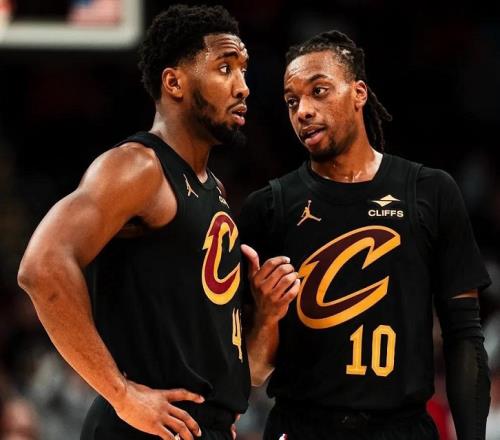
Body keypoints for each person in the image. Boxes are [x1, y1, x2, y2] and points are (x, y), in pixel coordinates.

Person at [240, 30, 491, 440]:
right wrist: (267, 316)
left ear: (358, 93)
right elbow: (253, 372)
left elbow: (464, 336)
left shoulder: (430, 192)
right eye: (292, 101)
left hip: (401, 427)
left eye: (319, 91)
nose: (303, 110)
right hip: (301, 426)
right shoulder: (268, 207)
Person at [17, 5, 251, 440]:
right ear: (174, 82)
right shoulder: (139, 166)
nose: (242, 86)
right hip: (144, 429)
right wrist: (121, 394)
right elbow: (42, 266)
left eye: (243, 70)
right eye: (225, 68)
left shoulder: (212, 188)